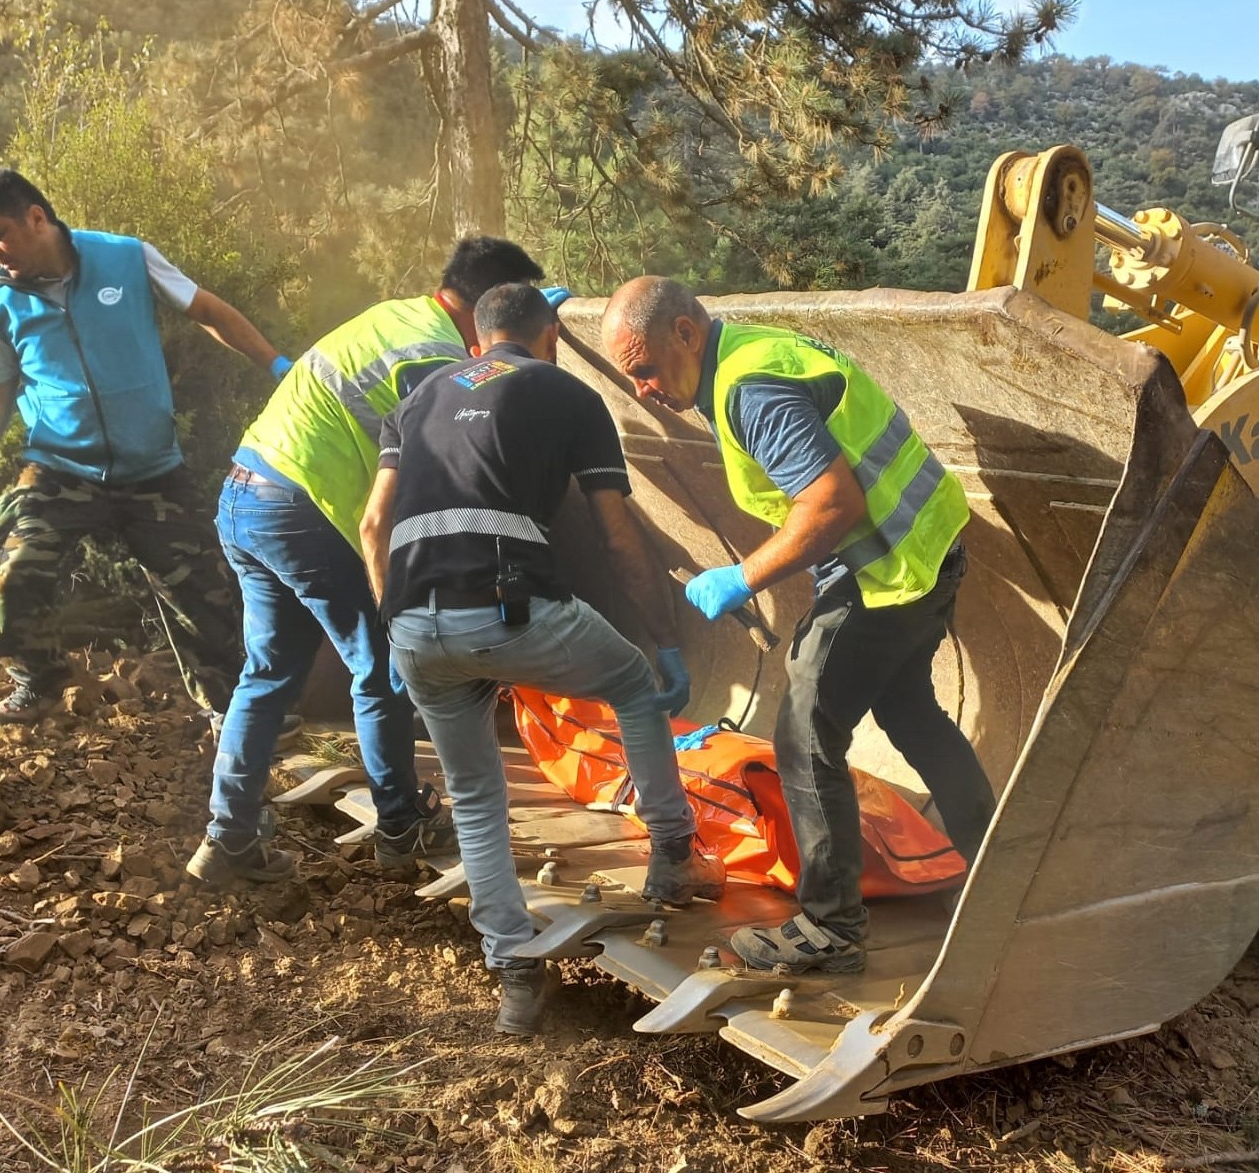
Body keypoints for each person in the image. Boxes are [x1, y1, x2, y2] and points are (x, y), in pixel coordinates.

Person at [600, 276, 995, 974]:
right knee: (911, 714)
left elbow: (829, 505)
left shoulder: (750, 390)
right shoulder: (755, 352)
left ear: (685, 334)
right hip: (929, 547)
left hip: (885, 571)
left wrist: (741, 577)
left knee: (805, 733)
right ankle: (997, 877)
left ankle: (830, 930)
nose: (643, 390)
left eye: (647, 369)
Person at [363, 282, 723, 1035]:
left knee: (475, 795)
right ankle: (670, 857)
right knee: (631, 683)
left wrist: (397, 628)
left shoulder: (421, 396)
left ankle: (514, 974)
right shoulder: (565, 393)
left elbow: (373, 525)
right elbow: (618, 536)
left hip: (416, 627)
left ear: (477, 341)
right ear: (549, 333)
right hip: (509, 610)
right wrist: (661, 642)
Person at [188, 237, 546, 887]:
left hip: (244, 496)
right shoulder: (435, 358)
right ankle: (401, 822)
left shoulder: (393, 317)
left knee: (269, 673)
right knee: (380, 666)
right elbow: (442, 484)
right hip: (302, 510)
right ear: (489, 309)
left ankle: (227, 838)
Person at [0, 168, 288, 727]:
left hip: (152, 469)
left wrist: (277, 365)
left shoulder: (126, 257)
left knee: (206, 594)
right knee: (10, 564)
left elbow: (205, 309)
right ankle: (37, 684)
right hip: (61, 467)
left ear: (37, 217)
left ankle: (235, 709)